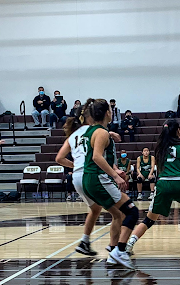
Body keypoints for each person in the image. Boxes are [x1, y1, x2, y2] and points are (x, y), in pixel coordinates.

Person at [55, 103, 126, 257]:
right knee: (121, 213)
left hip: (77, 177)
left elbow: (59, 158)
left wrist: (74, 165)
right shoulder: (96, 131)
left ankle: (84, 241)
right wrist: (115, 171)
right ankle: (116, 248)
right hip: (92, 174)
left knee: (95, 209)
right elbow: (98, 155)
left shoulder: (73, 135)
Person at [126, 119, 180, 255]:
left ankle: (130, 243)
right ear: (178, 131)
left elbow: (171, 161)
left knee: (149, 219)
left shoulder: (159, 150)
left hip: (163, 184)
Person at [80, 98, 139, 269]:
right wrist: (116, 175)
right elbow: (97, 157)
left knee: (118, 215)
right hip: (98, 179)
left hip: (90, 179)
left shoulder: (92, 130)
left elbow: (99, 152)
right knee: (132, 213)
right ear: (107, 112)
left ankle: (113, 252)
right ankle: (120, 250)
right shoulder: (101, 133)